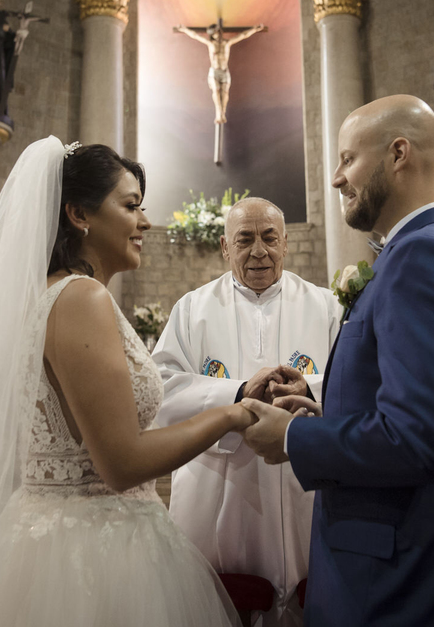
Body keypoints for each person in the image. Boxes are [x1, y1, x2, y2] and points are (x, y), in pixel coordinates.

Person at [0, 139, 250, 626]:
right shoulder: (81, 299)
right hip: (93, 551)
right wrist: (231, 414)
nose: (145, 222)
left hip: (53, 534)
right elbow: (121, 462)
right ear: (79, 214)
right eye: (131, 206)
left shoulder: (54, 294)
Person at [241, 95, 434, 626]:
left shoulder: (424, 256)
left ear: (399, 153)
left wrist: (291, 438)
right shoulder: (433, 246)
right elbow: (414, 405)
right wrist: (321, 410)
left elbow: (419, 438)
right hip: (410, 550)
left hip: (405, 573)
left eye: (348, 159)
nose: (335, 179)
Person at [154, 197, 342, 626]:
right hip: (218, 488)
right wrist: (237, 393)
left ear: (286, 243)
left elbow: (351, 381)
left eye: (269, 237)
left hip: (303, 485)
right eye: (245, 239)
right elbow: (162, 389)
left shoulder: (326, 307)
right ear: (225, 247)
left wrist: (305, 390)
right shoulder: (192, 310)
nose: (259, 250)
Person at [173, 20, 267, 124]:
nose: (216, 34)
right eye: (214, 32)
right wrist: (184, 29)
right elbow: (195, 36)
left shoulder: (227, 43)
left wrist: (255, 29)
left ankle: (222, 112)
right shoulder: (210, 44)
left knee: (225, 93)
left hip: (224, 71)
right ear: (212, 34)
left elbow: (243, 35)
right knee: (216, 91)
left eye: (217, 31)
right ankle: (219, 113)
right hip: (215, 71)